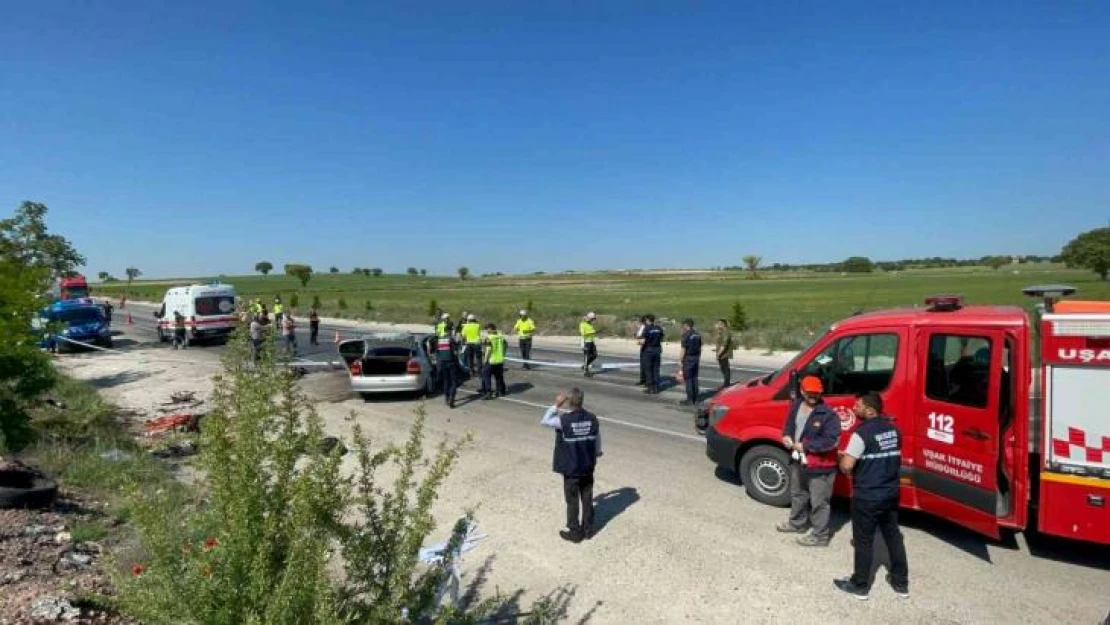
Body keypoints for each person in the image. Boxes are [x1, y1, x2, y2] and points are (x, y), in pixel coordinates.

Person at [835, 392, 909, 600]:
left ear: (870, 410)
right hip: (890, 493)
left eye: (858, 405)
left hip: (867, 495)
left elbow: (848, 465)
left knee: (863, 540)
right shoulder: (894, 429)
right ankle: (900, 583)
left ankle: (860, 585)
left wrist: (843, 461)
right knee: (893, 536)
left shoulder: (861, 434)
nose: (854, 408)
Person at [776, 375, 841, 546]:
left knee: (819, 502)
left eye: (816, 393)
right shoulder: (796, 404)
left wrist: (805, 446)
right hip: (799, 461)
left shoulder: (828, 415)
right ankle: (797, 524)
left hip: (820, 466)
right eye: (809, 393)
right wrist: (786, 436)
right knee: (797, 494)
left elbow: (831, 441)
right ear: (802, 391)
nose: (813, 397)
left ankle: (820, 536)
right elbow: (789, 425)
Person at [540, 389, 602, 543]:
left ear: (568, 402)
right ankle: (588, 529)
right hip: (587, 466)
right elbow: (597, 439)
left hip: (572, 469)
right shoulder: (592, 418)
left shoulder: (564, 421)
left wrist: (556, 405)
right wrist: (597, 453)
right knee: (587, 497)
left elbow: (545, 420)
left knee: (572, 500)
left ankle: (574, 532)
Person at [434, 313, 458, 409]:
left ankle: (446, 398)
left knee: (446, 381)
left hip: (442, 362)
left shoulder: (440, 340)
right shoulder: (451, 340)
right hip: (451, 362)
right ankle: (452, 398)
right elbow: (455, 353)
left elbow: (437, 352)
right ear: (450, 331)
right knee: (453, 382)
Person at [480, 323, 508, 399]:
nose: (486, 331)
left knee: (486, 376)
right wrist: (503, 354)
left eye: (487, 329)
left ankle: (488, 392)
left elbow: (488, 350)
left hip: (491, 360)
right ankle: (500, 391)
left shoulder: (488, 338)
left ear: (490, 329)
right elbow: (506, 345)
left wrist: (485, 360)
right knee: (499, 377)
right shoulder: (501, 337)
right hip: (499, 360)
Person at [678, 318, 702, 406]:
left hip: (688, 358)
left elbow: (683, 349)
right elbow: (700, 347)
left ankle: (690, 399)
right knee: (695, 378)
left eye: (683, 325)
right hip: (696, 357)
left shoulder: (685, 335)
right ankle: (696, 398)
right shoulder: (697, 334)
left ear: (686, 325)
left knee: (688, 379)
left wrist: (680, 360)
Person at [640, 315, 665, 394]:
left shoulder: (647, 328)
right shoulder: (659, 328)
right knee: (656, 369)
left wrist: (639, 342)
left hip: (648, 350)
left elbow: (643, 341)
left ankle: (650, 387)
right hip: (657, 350)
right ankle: (656, 387)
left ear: (647, 320)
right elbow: (661, 338)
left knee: (648, 370)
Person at [714, 319, 735, 390]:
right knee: (724, 369)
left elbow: (723, 346)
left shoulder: (726, 333)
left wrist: (718, 355)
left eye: (720, 324)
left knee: (725, 369)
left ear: (724, 325)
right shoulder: (722, 332)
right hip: (722, 353)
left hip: (724, 354)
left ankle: (726, 385)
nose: (718, 325)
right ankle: (726, 384)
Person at [579, 312, 598, 376]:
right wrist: (592, 332)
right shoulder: (582, 324)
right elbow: (583, 334)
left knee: (594, 355)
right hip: (585, 342)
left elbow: (591, 333)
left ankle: (585, 365)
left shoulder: (590, 324)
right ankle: (586, 372)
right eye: (592, 319)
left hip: (591, 342)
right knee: (587, 357)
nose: (593, 320)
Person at [635, 316, 648, 386]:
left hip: (647, 347)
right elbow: (638, 335)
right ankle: (643, 380)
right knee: (643, 364)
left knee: (647, 365)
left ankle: (647, 381)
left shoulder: (647, 327)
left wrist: (640, 338)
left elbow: (639, 336)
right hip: (643, 346)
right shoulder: (643, 327)